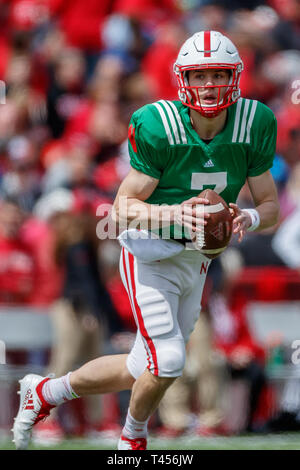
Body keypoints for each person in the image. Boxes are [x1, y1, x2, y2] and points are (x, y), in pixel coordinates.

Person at [13, 30, 279, 451]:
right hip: (149, 251)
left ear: (236, 76)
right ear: (182, 80)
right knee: (170, 360)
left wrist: (243, 215)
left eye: (218, 74)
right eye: (199, 75)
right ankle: (132, 440)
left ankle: (47, 392)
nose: (208, 85)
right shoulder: (160, 125)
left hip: (198, 258)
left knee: (144, 364)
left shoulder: (254, 122)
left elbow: (270, 207)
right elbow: (120, 208)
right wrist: (176, 213)